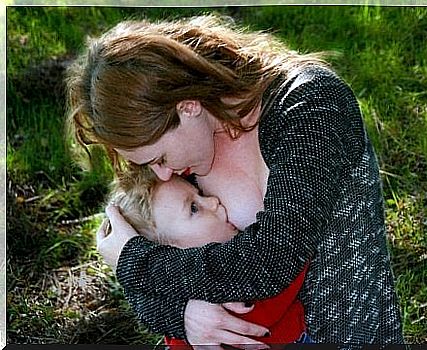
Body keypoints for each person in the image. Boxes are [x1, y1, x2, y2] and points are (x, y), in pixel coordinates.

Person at [66, 14, 404, 346]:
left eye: (160, 159)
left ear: (187, 107)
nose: (163, 174)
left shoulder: (310, 106)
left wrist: (135, 262)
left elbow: (273, 259)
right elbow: (146, 251)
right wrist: (181, 315)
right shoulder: (180, 149)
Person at [108, 168, 309, 347]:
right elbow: (286, 259)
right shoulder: (232, 282)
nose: (213, 201)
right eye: (194, 208)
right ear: (171, 254)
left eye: (201, 194)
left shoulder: (175, 300)